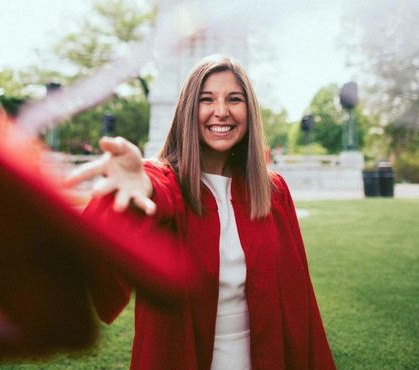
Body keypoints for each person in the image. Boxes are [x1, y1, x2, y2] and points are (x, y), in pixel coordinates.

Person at [72, 56, 336, 370]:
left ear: (249, 112)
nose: (221, 111)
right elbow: (131, 213)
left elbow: (299, 303)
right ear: (187, 112)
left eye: (234, 99)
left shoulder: (272, 192)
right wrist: (140, 182)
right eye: (206, 99)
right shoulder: (168, 186)